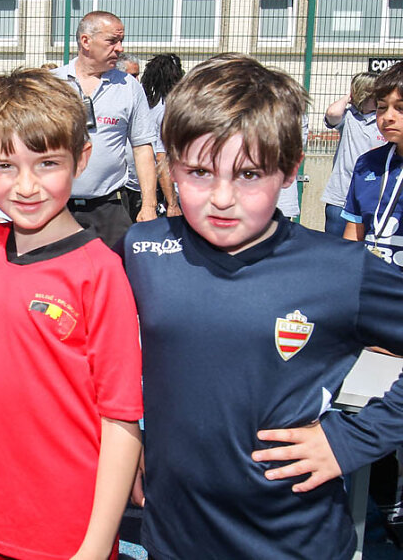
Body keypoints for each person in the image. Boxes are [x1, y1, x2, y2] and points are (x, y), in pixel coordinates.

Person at [121, 53, 403, 560]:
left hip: (294, 542)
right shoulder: (142, 250)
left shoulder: (340, 269)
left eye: (249, 174)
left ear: (291, 169)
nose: (221, 197)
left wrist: (353, 439)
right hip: (173, 537)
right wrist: (129, 441)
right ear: (170, 163)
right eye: (199, 172)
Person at [0, 69, 143, 559]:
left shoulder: (100, 272)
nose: (26, 185)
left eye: (46, 163)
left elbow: (121, 420)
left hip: (68, 531)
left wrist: (95, 545)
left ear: (82, 158)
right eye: (4, 166)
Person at [53, 11, 157, 246]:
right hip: (57, 208)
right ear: (86, 41)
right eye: (112, 41)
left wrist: (149, 206)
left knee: (115, 268)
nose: (120, 48)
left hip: (110, 208)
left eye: (121, 41)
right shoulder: (52, 83)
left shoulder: (128, 87)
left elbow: (142, 148)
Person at [343, 62, 403, 270]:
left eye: (400, 108)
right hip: (373, 283)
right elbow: (354, 234)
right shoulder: (367, 164)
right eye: (382, 107)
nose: (388, 117)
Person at [321, 71, 385, 236]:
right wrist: (349, 97)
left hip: (372, 196)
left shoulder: (383, 120)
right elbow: (332, 114)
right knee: (335, 245)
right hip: (340, 197)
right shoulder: (348, 116)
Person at [130, 52, 184, 219]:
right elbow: (161, 158)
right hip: (161, 190)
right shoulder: (166, 110)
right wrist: (172, 203)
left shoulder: (145, 103)